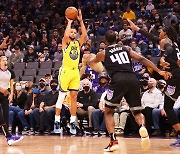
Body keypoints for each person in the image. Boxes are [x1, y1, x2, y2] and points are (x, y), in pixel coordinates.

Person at [86, 30, 171, 152]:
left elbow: (92, 63)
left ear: (105, 42)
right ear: (116, 39)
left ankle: (113, 141)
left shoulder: (103, 53)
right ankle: (142, 127)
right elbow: (142, 59)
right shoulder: (126, 48)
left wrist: (89, 59)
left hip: (117, 80)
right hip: (132, 79)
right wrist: (159, 71)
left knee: (108, 112)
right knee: (136, 111)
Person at [127, 18, 180, 146]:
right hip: (177, 74)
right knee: (169, 107)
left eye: (161, 31)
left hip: (176, 76)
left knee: (168, 107)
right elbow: (152, 37)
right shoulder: (172, 42)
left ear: (165, 34)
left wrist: (162, 58)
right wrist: (137, 29)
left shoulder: (166, 42)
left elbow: (169, 49)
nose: (159, 33)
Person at [54, 9, 87, 135]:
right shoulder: (65, 43)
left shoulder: (78, 43)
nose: (73, 33)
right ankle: (57, 121)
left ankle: (73, 121)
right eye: (71, 31)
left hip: (75, 72)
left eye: (74, 31)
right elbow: (66, 36)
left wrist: (81, 21)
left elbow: (84, 35)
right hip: (66, 71)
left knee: (74, 97)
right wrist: (69, 22)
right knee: (62, 96)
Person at [0, 55, 23, 145]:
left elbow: (11, 84)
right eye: (3, 60)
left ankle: (8, 135)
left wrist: (11, 94)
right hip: (2, 91)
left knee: (5, 114)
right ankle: (9, 137)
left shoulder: (10, 72)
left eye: (6, 60)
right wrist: (2, 90)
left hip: (5, 94)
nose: (5, 61)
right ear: (0, 62)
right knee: (0, 115)